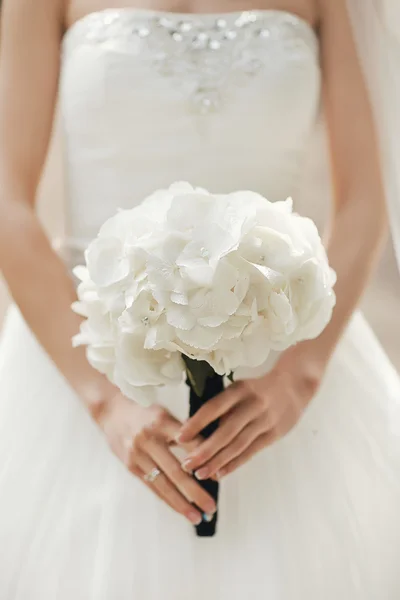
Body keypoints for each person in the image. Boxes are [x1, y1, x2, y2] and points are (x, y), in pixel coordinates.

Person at [0, 0, 399, 598]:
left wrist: (300, 375)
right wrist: (104, 400)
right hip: (86, 359)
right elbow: (8, 202)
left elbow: (367, 197)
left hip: (283, 367)